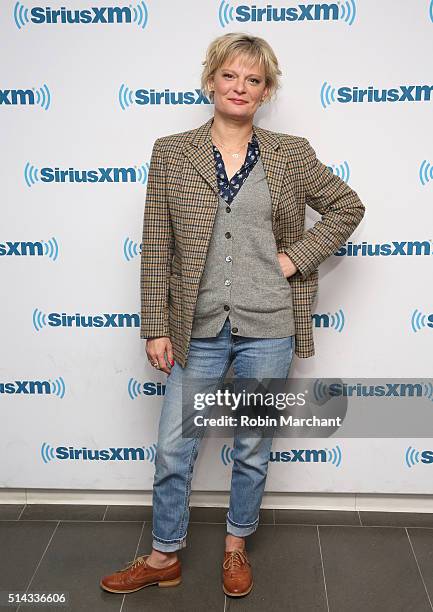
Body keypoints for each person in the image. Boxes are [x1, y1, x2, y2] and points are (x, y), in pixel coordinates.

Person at [100, 32, 365, 598]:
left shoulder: (290, 153)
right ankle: (163, 555)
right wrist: (156, 325)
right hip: (195, 328)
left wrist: (295, 258)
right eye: (230, 75)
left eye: (253, 79)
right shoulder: (172, 151)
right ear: (211, 80)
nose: (239, 87)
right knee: (174, 444)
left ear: (266, 91)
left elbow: (348, 206)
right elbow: (157, 242)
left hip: (268, 326)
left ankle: (235, 548)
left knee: (251, 444)